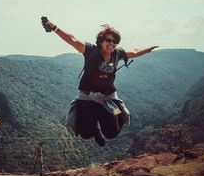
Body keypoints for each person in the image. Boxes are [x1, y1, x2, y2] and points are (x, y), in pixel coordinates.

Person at [42, 17, 158, 146]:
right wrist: (54, 28)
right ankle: (95, 128)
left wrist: (148, 49)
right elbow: (73, 39)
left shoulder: (117, 53)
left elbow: (134, 52)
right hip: (88, 96)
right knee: (85, 133)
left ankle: (111, 118)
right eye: (108, 40)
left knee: (112, 133)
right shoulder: (91, 51)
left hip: (107, 97)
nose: (112, 43)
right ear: (101, 40)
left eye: (115, 41)